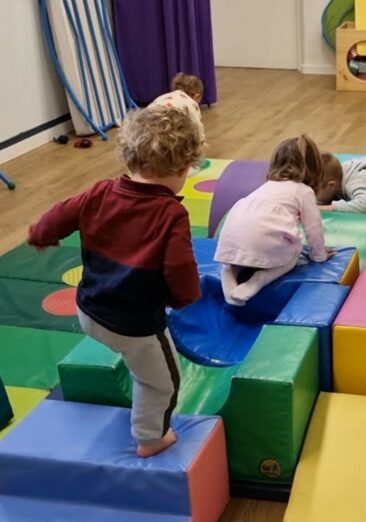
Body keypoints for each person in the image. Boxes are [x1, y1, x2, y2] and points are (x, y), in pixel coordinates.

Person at [28, 106, 204, 458]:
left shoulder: (100, 191)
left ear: (129, 157)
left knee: (142, 355)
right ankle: (150, 438)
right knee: (162, 382)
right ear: (184, 169)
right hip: (134, 326)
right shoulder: (171, 214)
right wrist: (185, 298)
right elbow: (180, 268)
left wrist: (40, 233)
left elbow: (58, 215)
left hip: (88, 311)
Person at [214, 135, 333, 306]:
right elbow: (313, 228)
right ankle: (260, 279)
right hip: (264, 244)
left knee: (233, 262)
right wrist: (319, 256)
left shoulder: (264, 188)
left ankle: (228, 273)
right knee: (294, 253)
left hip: (231, 239)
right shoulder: (303, 191)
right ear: (314, 169)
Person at [150, 72, 205, 141]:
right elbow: (197, 128)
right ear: (197, 96)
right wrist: (201, 141)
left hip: (147, 120)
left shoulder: (164, 97)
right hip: (166, 122)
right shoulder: (191, 103)